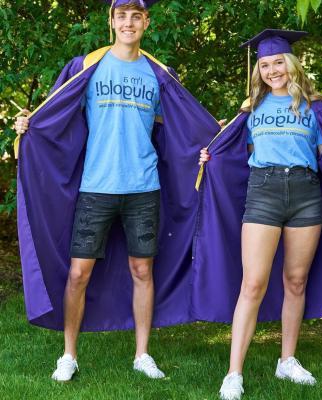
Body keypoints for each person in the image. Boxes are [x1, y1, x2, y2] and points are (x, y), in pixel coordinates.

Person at [14, 0, 220, 382]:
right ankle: (69, 355)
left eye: (135, 16)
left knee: (142, 269)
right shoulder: (86, 66)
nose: (128, 23)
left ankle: (142, 354)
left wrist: (216, 136)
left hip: (144, 186)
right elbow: (54, 114)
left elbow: (181, 124)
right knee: (78, 274)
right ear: (111, 21)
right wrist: (29, 125)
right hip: (97, 186)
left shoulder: (159, 74)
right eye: (121, 16)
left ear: (146, 22)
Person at [197, 29, 322, 400]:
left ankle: (287, 360)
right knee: (253, 283)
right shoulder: (250, 110)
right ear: (259, 70)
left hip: (306, 194)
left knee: (296, 281)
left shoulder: (317, 107)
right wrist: (212, 158)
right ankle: (233, 373)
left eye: (278, 63)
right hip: (264, 192)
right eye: (265, 65)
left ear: (291, 65)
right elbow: (234, 153)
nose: (272, 71)